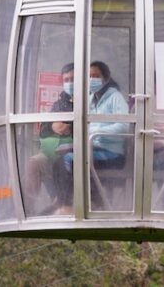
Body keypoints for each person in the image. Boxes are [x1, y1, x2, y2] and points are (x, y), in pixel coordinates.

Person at [53, 60, 130, 213]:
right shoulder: (90, 98)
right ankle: (66, 202)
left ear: (105, 78)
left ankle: (73, 204)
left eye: (96, 76)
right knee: (58, 161)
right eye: (89, 76)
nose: (92, 80)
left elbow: (124, 126)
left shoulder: (115, 97)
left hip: (111, 152)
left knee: (69, 160)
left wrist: (97, 131)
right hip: (92, 148)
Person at [24, 63, 74, 214]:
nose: (70, 83)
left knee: (63, 161)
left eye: (73, 79)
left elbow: (92, 125)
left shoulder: (89, 100)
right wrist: (52, 126)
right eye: (66, 80)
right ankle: (28, 209)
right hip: (55, 150)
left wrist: (70, 128)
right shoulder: (60, 103)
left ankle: (61, 202)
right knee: (35, 163)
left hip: (75, 151)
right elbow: (44, 129)